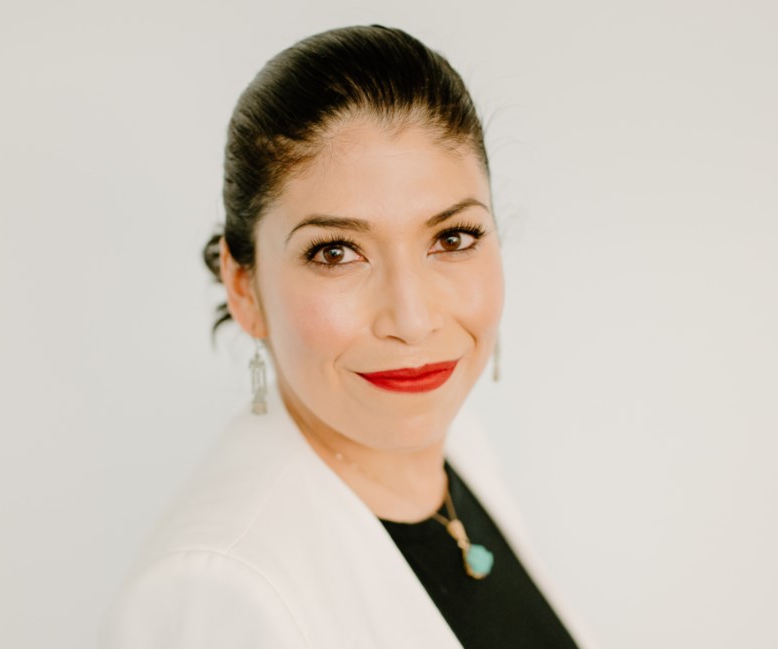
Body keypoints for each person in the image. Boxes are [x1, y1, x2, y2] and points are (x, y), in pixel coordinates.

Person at [100, 25, 593, 649]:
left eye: (452, 238)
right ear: (244, 287)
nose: (411, 320)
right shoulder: (222, 595)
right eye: (336, 252)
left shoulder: (457, 446)